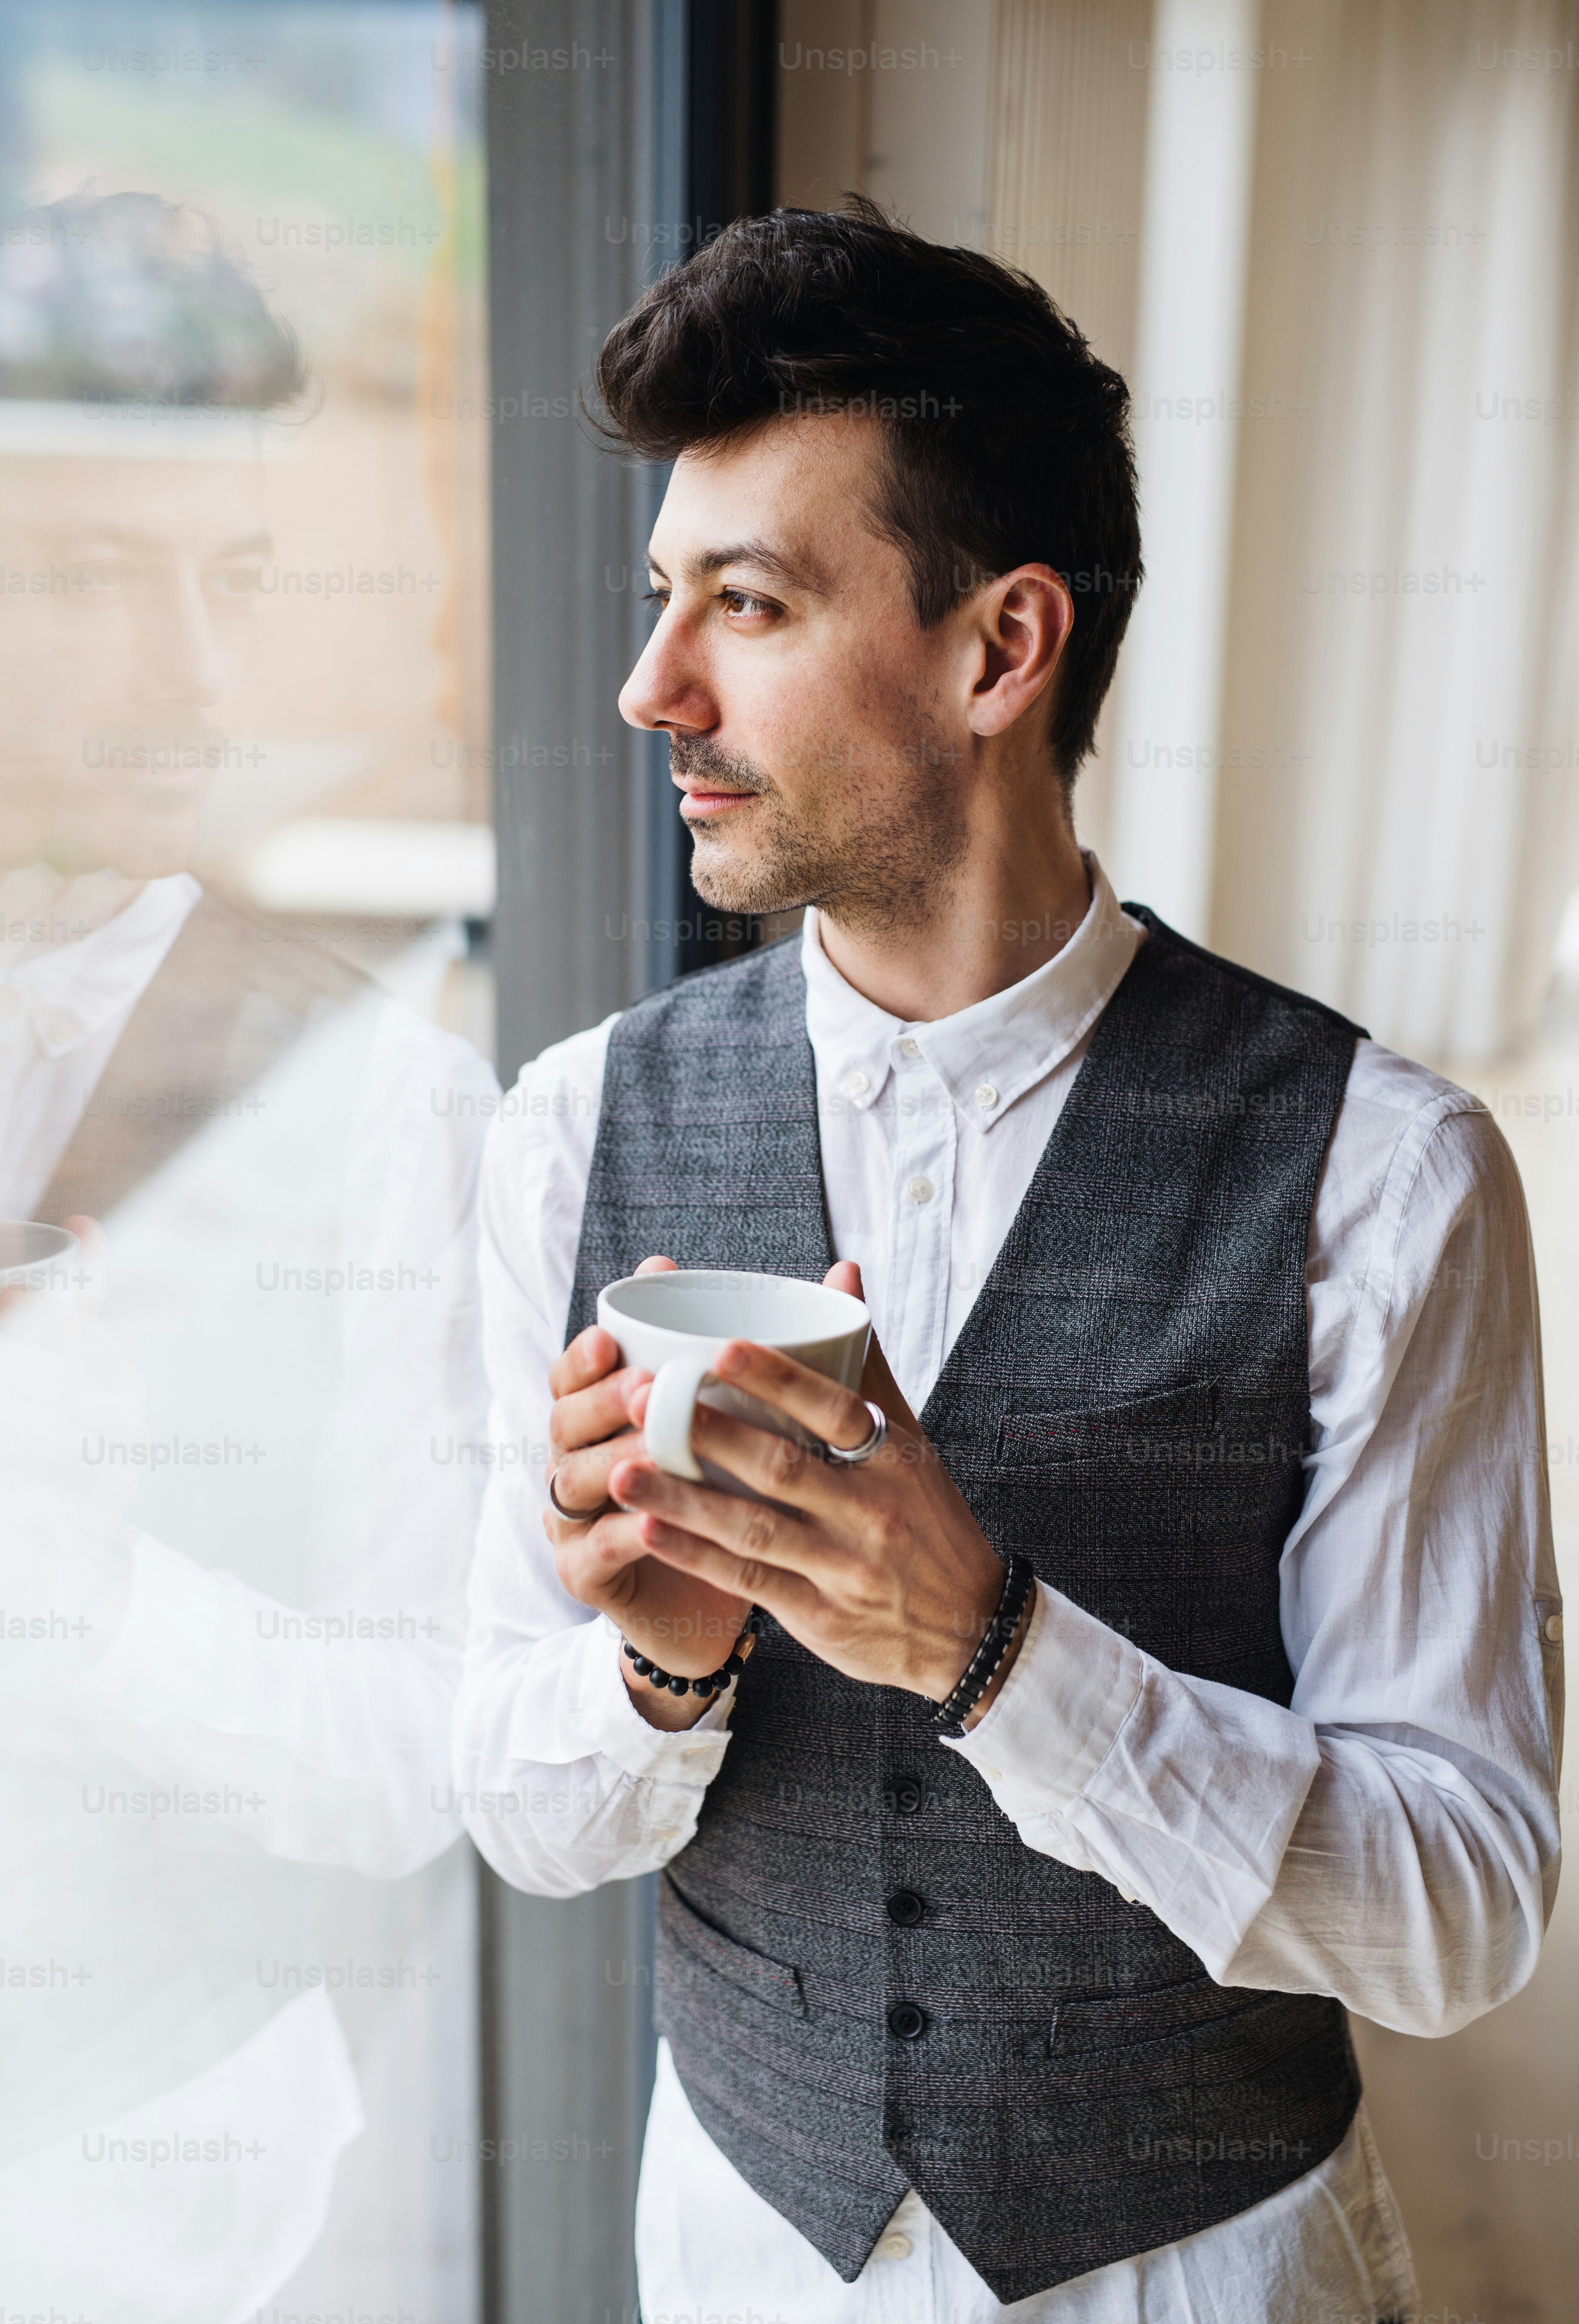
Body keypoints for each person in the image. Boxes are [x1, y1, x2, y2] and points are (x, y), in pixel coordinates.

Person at [457, 201, 1562, 2323]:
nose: (647, 686)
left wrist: (992, 1647)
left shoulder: (1391, 1173)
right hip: (732, 2247)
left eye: (747, 604)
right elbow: (522, 1806)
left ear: (998, 649)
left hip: (1204, 2271)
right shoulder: (571, 1132)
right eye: (658, 599)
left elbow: (1465, 1908)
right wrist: (657, 1666)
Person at [0, 194, 494, 2321]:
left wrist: (96, 1590)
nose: (193, 683)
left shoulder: (382, 1107)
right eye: (89, 582)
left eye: (234, 582)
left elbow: (426, 1745)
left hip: (127, 2198)